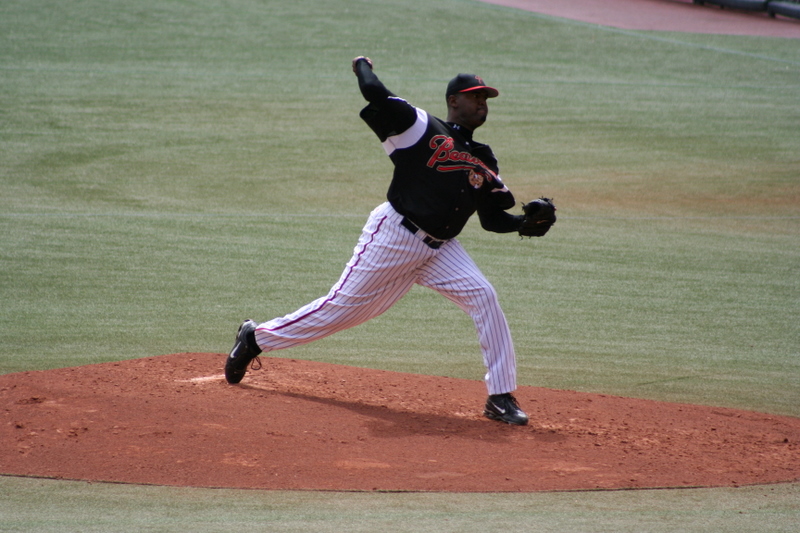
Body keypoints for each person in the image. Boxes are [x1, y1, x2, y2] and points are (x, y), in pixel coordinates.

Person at [225, 56, 530, 425]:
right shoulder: (421, 127)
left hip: (442, 250)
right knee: (341, 312)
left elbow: (492, 219)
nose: (482, 103)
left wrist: (526, 223)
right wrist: (361, 66)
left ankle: (500, 396)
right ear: (453, 101)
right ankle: (255, 338)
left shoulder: (483, 159)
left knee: (484, 296)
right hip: (395, 235)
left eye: (486, 98)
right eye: (474, 96)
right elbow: (375, 93)